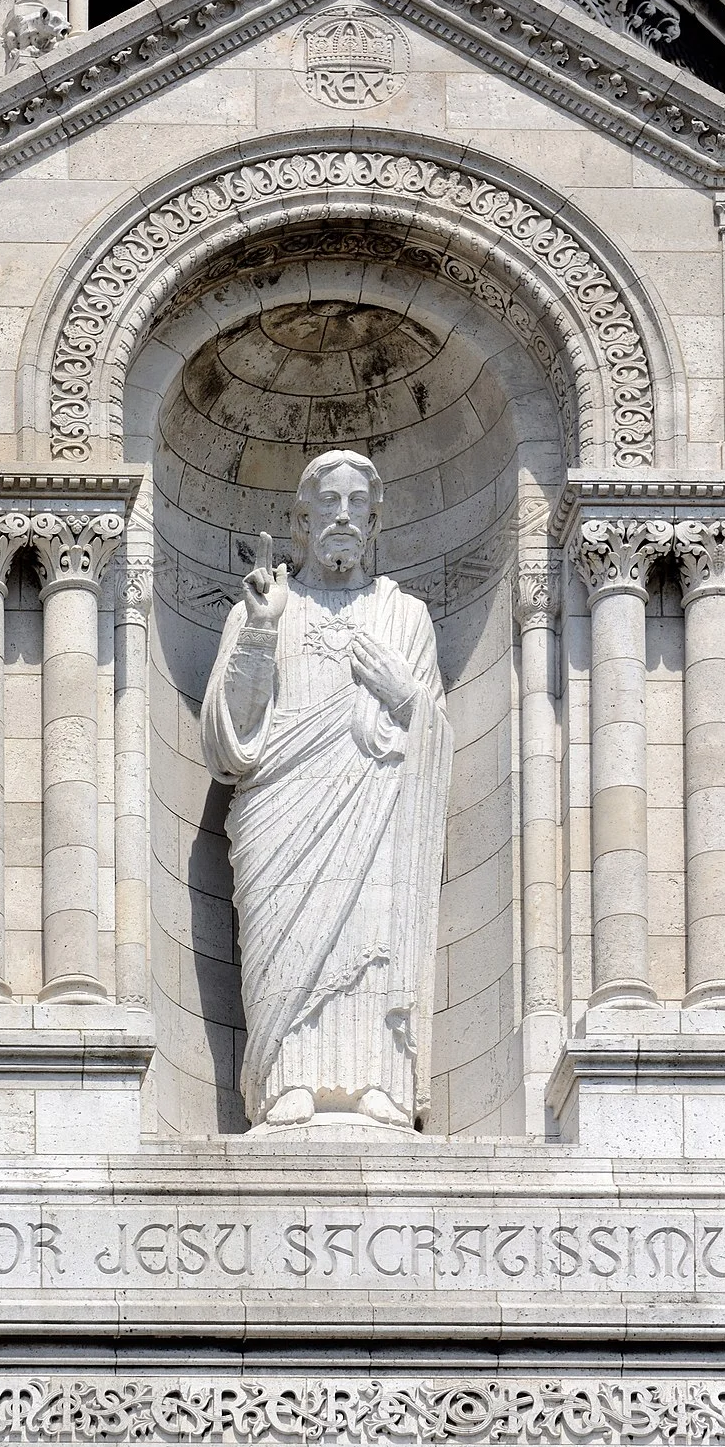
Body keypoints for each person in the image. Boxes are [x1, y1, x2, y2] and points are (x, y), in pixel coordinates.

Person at [201, 449, 452, 1130]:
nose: (344, 516)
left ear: (375, 522)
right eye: (328, 504)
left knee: (371, 937)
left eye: (357, 504)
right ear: (301, 522)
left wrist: (406, 697)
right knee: (285, 940)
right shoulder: (263, 606)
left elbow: (435, 743)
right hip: (281, 815)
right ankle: (285, 1080)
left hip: (375, 813)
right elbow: (232, 737)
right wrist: (258, 629)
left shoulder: (407, 617)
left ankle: (381, 1081)